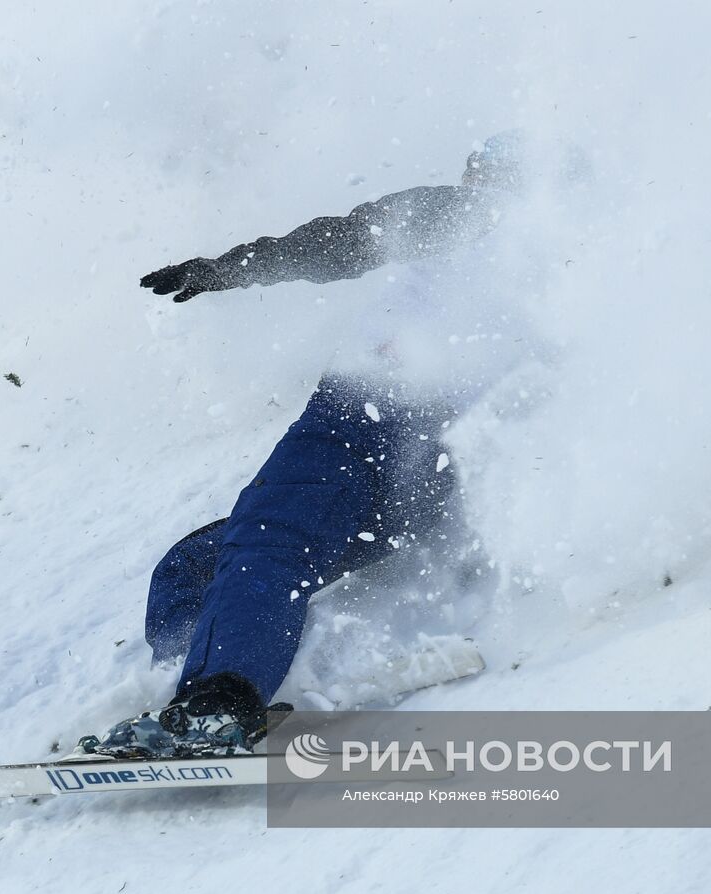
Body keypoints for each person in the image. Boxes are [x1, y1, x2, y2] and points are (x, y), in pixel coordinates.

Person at [78, 133, 525, 759]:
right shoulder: (556, 268)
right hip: (420, 474)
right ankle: (211, 688)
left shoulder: (467, 215)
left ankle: (216, 708)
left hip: (365, 421)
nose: (474, 188)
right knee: (195, 565)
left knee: (266, 540)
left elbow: (336, 244)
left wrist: (224, 270)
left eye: (484, 175)